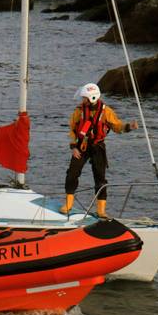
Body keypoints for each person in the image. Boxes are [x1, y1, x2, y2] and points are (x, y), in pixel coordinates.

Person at [59, 83, 138, 218]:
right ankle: (68, 204)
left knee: (100, 178)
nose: (82, 100)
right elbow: (72, 130)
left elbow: (117, 126)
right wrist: (73, 147)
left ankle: (101, 210)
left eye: (84, 98)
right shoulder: (79, 111)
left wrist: (129, 127)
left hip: (98, 147)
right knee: (72, 173)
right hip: (81, 146)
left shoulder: (106, 112)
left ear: (93, 98)